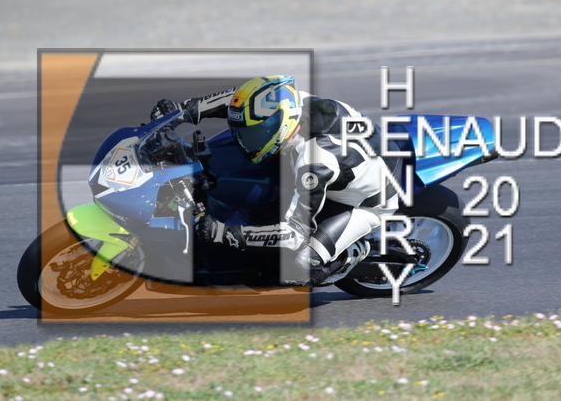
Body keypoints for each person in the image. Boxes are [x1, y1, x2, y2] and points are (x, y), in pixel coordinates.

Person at [150, 76, 402, 286]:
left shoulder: (315, 163)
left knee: (300, 267)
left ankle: (355, 252)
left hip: (366, 201)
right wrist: (182, 111)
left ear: (283, 127)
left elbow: (295, 233)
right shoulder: (288, 102)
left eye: (255, 134)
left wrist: (226, 233)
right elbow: (239, 100)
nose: (245, 140)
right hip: (357, 155)